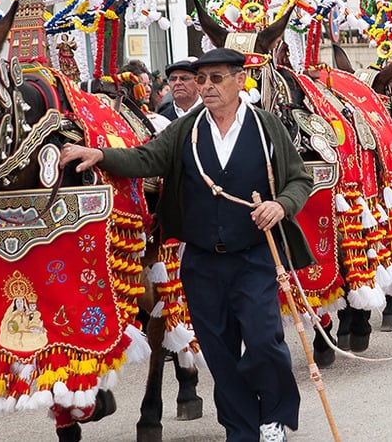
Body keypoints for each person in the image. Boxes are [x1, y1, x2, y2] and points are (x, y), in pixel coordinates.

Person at [59, 48, 314, 442]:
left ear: (239, 80)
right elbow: (147, 158)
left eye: (215, 78)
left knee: (265, 342)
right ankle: (241, 428)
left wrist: (281, 206)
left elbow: (299, 180)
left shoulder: (265, 127)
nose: (206, 86)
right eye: (201, 79)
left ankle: (274, 415)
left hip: (255, 257)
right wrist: (100, 154)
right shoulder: (188, 129)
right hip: (200, 261)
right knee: (219, 352)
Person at [120, 60, 171, 134]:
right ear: (129, 88)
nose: (149, 89)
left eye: (148, 85)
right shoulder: (120, 117)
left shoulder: (158, 119)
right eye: (143, 85)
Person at [158, 57, 202, 121]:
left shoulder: (210, 111)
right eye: (173, 79)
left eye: (184, 78)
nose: (177, 83)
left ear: (197, 81)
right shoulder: (162, 117)